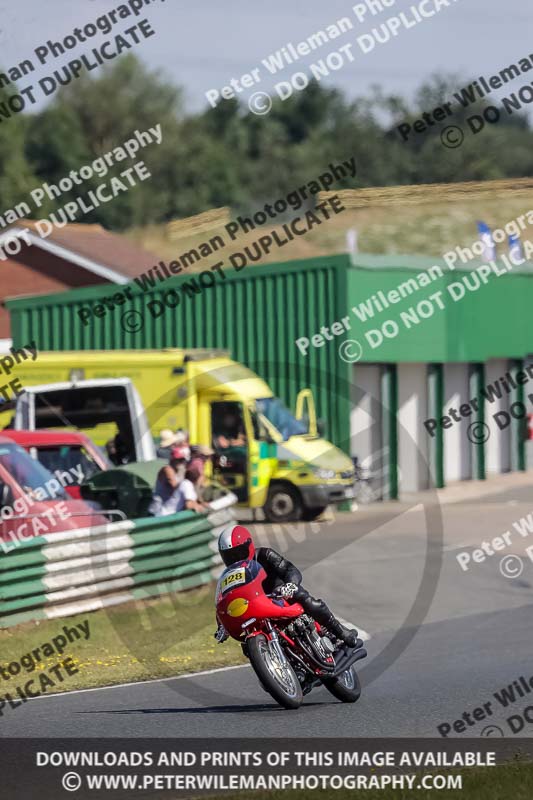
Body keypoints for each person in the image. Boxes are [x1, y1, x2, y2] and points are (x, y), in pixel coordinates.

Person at [214, 524, 357, 647]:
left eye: (239, 553)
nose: (236, 559)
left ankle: (341, 632)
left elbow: (290, 569)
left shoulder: (264, 555)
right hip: (258, 607)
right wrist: (222, 624)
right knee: (246, 643)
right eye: (230, 556)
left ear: (249, 546)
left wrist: (290, 585)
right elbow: (225, 599)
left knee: (303, 596)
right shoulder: (229, 576)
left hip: (281, 596)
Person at [148, 446, 189, 516]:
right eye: (178, 460)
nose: (181, 462)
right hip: (157, 511)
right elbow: (176, 487)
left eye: (182, 460)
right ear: (172, 459)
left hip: (169, 511)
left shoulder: (179, 470)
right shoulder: (167, 469)